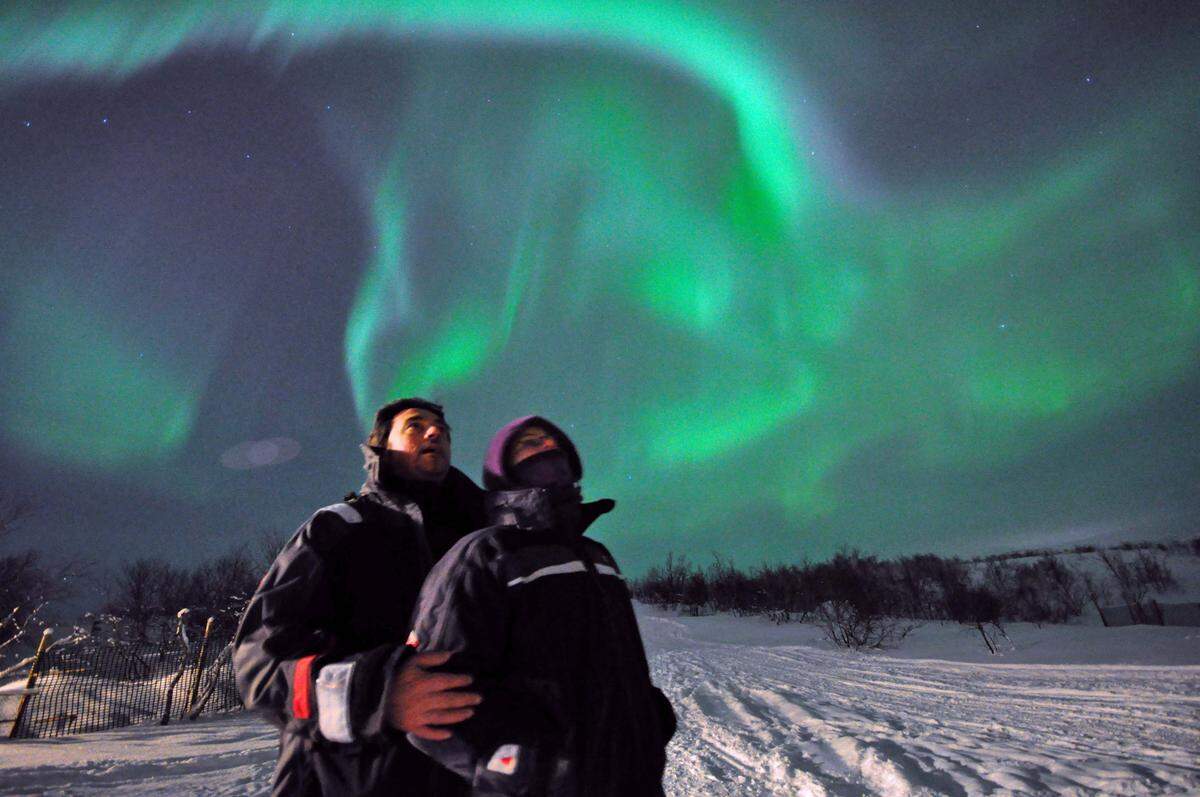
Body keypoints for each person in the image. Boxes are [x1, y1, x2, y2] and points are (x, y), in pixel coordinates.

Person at [406, 416, 676, 796]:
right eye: (531, 442)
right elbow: (433, 699)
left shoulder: (598, 556)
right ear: (503, 468)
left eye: (556, 444)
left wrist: (649, 716)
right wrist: (516, 771)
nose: (548, 447)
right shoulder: (483, 554)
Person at [234, 397, 487, 796]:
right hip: (343, 781)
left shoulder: (484, 541)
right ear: (382, 445)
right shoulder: (337, 528)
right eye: (415, 426)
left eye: (442, 429)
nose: (435, 432)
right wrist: (375, 693)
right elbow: (260, 662)